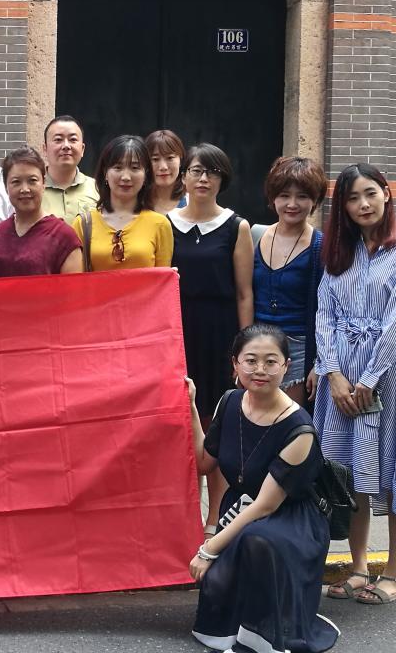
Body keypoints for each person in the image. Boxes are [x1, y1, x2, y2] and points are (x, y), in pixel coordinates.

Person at [313, 163, 396, 606]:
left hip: (388, 378)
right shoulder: (340, 252)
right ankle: (359, 566)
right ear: (342, 207)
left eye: (370, 193)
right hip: (341, 379)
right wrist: (334, 374)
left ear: (386, 193)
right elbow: (324, 314)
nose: (363, 204)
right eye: (352, 198)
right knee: (348, 473)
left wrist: (368, 378)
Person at [189, 324, 339, 653]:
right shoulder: (229, 402)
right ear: (235, 364)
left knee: (257, 540)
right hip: (240, 510)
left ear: (286, 366)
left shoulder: (299, 429)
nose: (260, 369)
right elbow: (203, 463)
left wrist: (209, 548)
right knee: (221, 582)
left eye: (271, 362)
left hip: (290, 519)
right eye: (251, 360)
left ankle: (263, 638)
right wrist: (191, 407)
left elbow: (266, 506)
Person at [168, 143, 254, 536]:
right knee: (183, 424)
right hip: (177, 334)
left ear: (223, 179)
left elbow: (244, 293)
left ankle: (215, 516)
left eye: (212, 172)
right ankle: (185, 514)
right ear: (183, 176)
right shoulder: (165, 224)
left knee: (215, 426)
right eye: (196, 171)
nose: (203, 179)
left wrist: (244, 350)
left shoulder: (237, 226)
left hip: (220, 335)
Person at [252, 157, 328, 407]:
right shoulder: (255, 235)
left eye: (302, 196)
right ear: (273, 197)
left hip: (299, 348)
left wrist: (319, 363)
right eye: (284, 195)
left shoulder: (321, 246)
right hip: (257, 344)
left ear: (315, 200)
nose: (292, 204)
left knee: (290, 421)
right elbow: (242, 295)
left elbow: (329, 311)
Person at [70, 134, 173, 271]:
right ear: (105, 173)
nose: (125, 177)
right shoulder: (83, 224)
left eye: (135, 168)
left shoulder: (160, 224)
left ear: (146, 175)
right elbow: (76, 279)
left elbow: (163, 279)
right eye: (118, 167)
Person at [0, 147, 83, 276]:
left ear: (43, 184)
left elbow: (73, 287)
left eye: (32, 181)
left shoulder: (64, 237)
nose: (25, 189)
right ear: (6, 187)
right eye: (16, 182)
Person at [42, 115, 98, 222]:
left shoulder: (97, 189)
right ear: (45, 149)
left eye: (73, 139)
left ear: (82, 149)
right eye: (58, 140)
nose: (66, 146)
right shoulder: (33, 189)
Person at [144, 129, 187, 214]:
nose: (163, 167)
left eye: (170, 158)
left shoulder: (194, 200)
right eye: (155, 159)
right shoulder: (135, 201)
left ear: (180, 159)